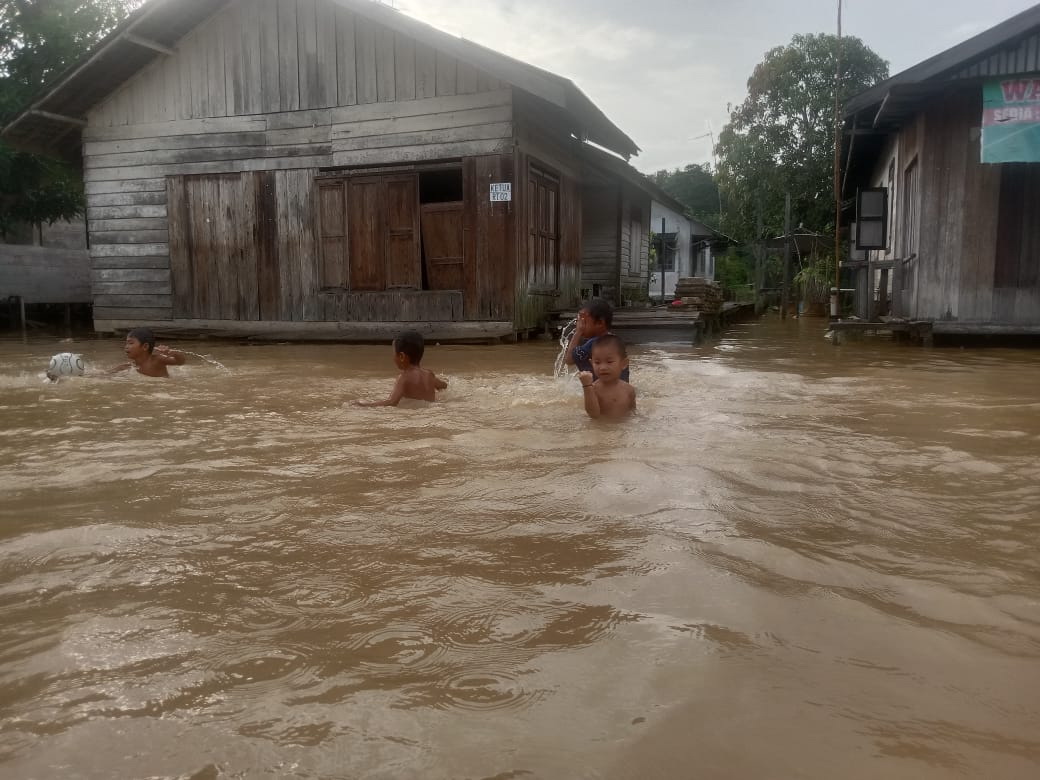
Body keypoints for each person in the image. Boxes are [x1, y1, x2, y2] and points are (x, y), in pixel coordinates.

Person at [355, 330, 448, 407]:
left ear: (401, 356)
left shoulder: (404, 378)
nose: (393, 357)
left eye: (394, 353)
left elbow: (392, 402)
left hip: (413, 414)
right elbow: (444, 386)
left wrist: (364, 405)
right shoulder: (429, 374)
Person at [565, 297, 629, 382]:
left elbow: (569, 359)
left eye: (584, 322)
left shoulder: (595, 343)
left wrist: (578, 332)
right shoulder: (614, 341)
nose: (580, 325)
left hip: (603, 389)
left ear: (600, 323)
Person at [577, 334, 636, 419]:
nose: (602, 367)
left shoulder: (629, 389)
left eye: (609, 362)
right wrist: (587, 386)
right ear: (591, 363)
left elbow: (633, 413)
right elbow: (593, 415)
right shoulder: (593, 389)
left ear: (623, 364)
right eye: (597, 362)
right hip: (600, 427)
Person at [110, 328, 187, 378]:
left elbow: (181, 362)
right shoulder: (128, 367)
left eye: (131, 343)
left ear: (145, 347)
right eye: (126, 343)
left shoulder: (157, 360)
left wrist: (172, 353)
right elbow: (106, 374)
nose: (126, 347)